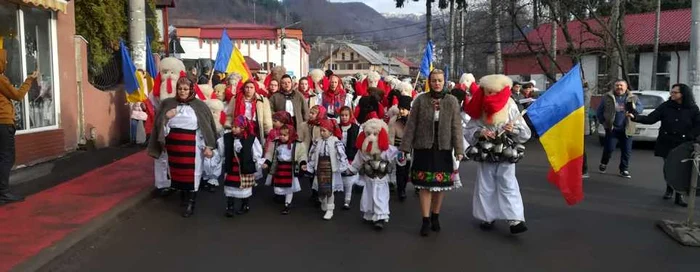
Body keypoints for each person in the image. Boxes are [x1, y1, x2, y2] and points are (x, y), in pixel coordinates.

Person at [399, 69, 464, 236]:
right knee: (425, 187)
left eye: (440, 80)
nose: (437, 83)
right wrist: (405, 147)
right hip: (423, 149)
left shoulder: (451, 101)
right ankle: (425, 220)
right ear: (429, 82)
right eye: (434, 80)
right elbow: (411, 125)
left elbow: (456, 126)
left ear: (444, 82)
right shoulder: (420, 100)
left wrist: (459, 149)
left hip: (443, 148)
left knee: (439, 186)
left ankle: (436, 215)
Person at [464, 74, 532, 234]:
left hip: (505, 150)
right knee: (485, 183)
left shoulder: (510, 105)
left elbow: (524, 133)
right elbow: (468, 129)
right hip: (486, 151)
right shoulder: (479, 106)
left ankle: (515, 219)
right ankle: (487, 217)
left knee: (507, 183)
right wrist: (480, 132)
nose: (490, 95)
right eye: (488, 92)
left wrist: (513, 129)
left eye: (493, 92)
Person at [147, 76, 218, 217]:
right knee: (177, 174)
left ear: (191, 89)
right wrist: (166, 117)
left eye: (186, 89)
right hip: (174, 148)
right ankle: (184, 198)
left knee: (193, 174)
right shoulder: (167, 103)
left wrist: (208, 146)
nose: (182, 92)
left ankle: (191, 203)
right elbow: (159, 126)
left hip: (193, 146)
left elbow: (206, 127)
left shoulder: (200, 106)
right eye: (180, 89)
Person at [628, 83, 700, 207]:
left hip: (683, 143)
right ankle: (669, 189)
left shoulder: (692, 108)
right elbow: (651, 118)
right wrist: (635, 117)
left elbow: (698, 125)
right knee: (669, 165)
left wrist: (691, 136)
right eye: (671, 92)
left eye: (675, 92)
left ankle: (679, 195)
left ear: (683, 94)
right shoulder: (666, 106)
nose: (672, 94)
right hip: (667, 141)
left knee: (681, 168)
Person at [348, 118, 402, 230]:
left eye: (375, 134)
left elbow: (397, 155)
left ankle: (380, 217)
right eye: (368, 134)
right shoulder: (362, 150)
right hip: (368, 177)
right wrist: (351, 169)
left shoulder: (386, 149)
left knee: (380, 196)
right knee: (368, 195)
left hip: (381, 178)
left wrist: (401, 157)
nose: (371, 136)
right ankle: (369, 214)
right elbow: (357, 161)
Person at [0, 49, 38, 204]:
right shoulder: (1, 79)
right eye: (4, 60)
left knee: (3, 157)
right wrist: (29, 80)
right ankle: (3, 192)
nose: (7, 62)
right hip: (3, 123)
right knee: (7, 157)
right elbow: (17, 95)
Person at [596, 79, 643, 178]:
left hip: (627, 129)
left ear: (626, 87)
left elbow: (640, 109)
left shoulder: (633, 97)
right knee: (609, 149)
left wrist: (634, 111)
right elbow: (599, 111)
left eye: (621, 85)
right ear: (614, 87)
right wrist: (604, 123)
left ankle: (624, 169)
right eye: (617, 85)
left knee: (626, 151)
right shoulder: (607, 97)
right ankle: (604, 163)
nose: (619, 87)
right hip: (613, 129)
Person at [306, 119, 350, 220]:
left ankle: (330, 209)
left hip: (331, 169)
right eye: (321, 130)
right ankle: (323, 201)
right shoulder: (317, 141)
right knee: (321, 188)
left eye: (324, 131)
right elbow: (312, 154)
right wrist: (310, 165)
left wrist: (343, 166)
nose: (322, 132)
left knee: (330, 190)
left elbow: (341, 154)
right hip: (320, 168)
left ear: (330, 131)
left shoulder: (335, 142)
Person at [223, 115, 264, 217]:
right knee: (230, 187)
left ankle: (245, 205)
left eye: (236, 127)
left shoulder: (251, 139)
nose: (233, 129)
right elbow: (222, 150)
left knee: (244, 188)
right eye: (233, 126)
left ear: (243, 127)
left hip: (245, 167)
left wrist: (256, 163)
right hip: (232, 167)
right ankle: (230, 207)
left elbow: (257, 153)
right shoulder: (227, 137)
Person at [263, 124, 308, 214]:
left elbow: (301, 154)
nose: (282, 137)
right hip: (279, 168)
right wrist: (267, 162)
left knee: (290, 187)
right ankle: (281, 197)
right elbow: (270, 153)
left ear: (290, 134)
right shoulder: (275, 143)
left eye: (285, 135)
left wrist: (302, 163)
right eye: (281, 134)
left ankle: (287, 204)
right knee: (280, 186)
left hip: (290, 169)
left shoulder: (297, 144)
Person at [388, 96, 412, 201]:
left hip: (410, 149)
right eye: (400, 108)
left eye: (404, 109)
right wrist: (391, 150)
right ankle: (400, 190)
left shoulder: (413, 120)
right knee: (400, 170)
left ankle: (404, 186)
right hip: (399, 148)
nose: (401, 111)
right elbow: (391, 137)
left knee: (407, 170)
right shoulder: (394, 120)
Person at [338, 106, 361, 209]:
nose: (344, 117)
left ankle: (347, 200)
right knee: (339, 177)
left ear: (350, 116)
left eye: (346, 115)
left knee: (348, 180)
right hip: (339, 156)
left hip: (350, 156)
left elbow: (357, 144)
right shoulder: (337, 127)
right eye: (342, 115)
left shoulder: (356, 128)